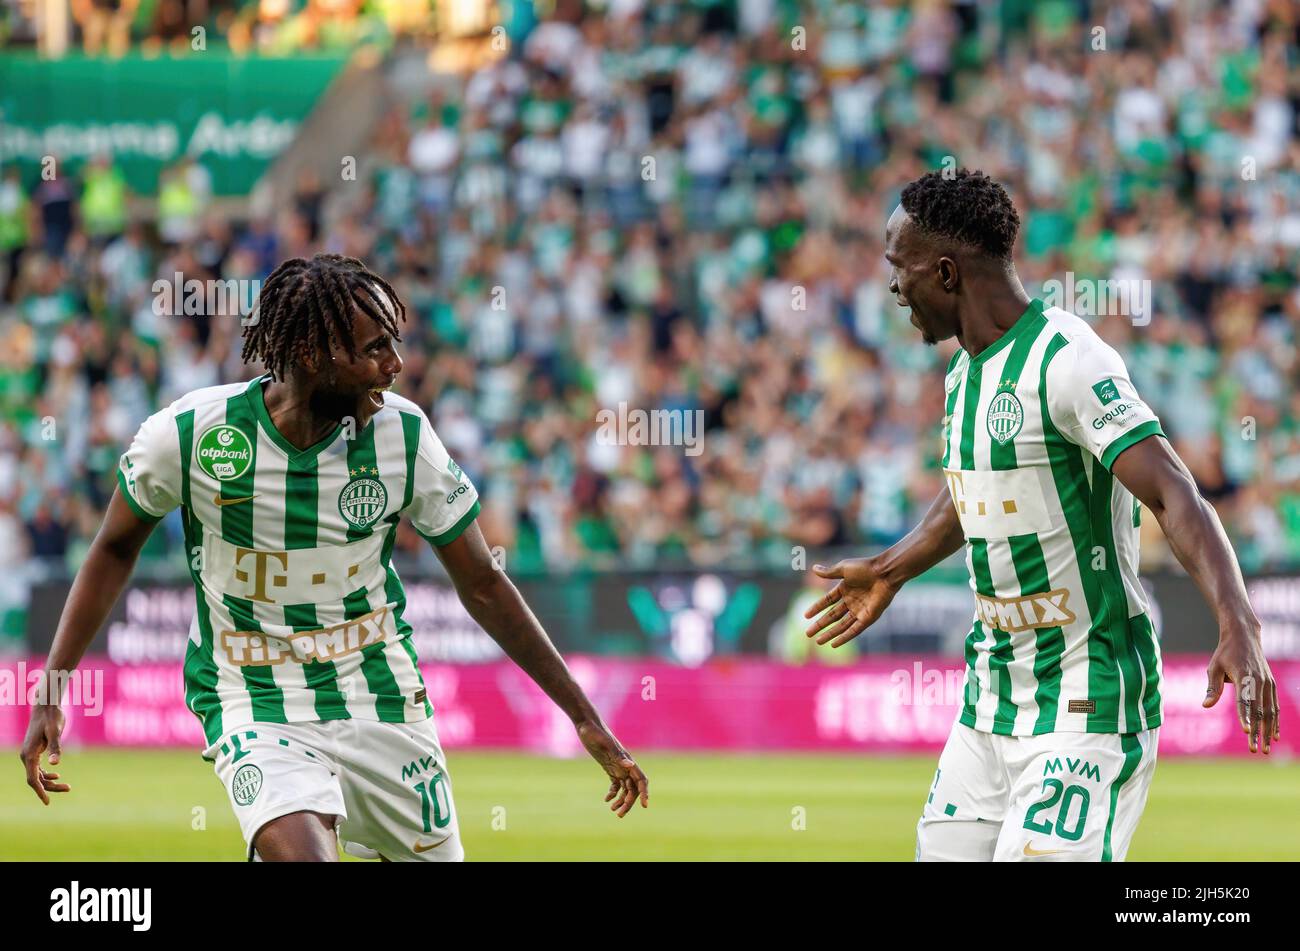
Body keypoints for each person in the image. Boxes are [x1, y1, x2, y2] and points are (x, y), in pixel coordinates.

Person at [20, 253, 648, 861]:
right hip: (253, 696)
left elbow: (483, 582)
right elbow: (113, 547)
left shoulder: (403, 437)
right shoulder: (189, 437)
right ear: (309, 354)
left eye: (392, 344)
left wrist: (584, 718)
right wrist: (53, 685)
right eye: (374, 348)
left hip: (381, 697)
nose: (395, 364)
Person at [805, 170, 1278, 862]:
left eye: (896, 267)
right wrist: (890, 567)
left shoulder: (1069, 360)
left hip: (1087, 702)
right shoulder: (965, 373)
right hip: (990, 702)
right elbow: (977, 491)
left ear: (943, 271)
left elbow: (1176, 491)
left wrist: (1240, 621)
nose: (891, 287)